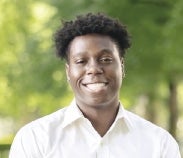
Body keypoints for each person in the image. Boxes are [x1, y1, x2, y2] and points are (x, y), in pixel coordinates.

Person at [9, 12, 181, 158]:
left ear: (121, 67)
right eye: (81, 61)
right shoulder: (35, 139)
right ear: (68, 72)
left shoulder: (159, 143)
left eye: (105, 59)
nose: (93, 69)